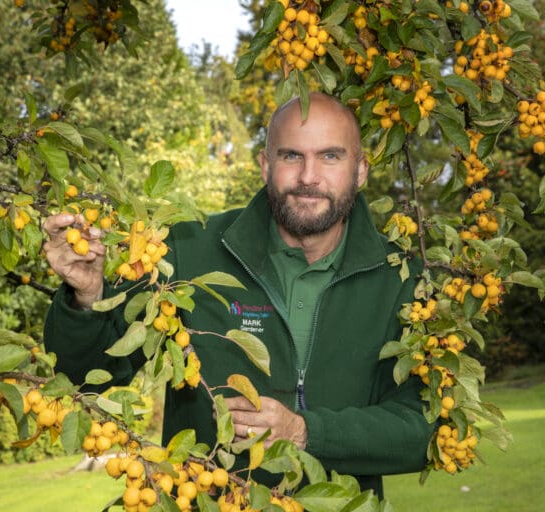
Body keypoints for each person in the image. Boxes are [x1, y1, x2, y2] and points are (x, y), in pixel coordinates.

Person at [42, 92, 434, 497]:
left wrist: (304, 432)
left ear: (361, 169)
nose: (308, 177)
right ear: (265, 165)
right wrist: (87, 296)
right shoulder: (188, 249)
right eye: (291, 156)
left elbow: (425, 428)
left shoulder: (403, 277)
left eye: (331, 156)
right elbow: (83, 380)